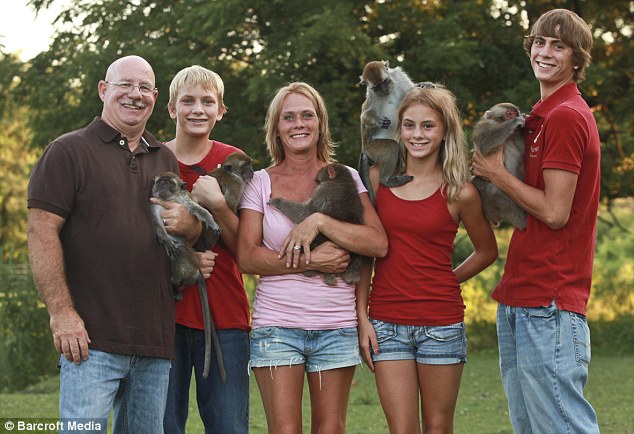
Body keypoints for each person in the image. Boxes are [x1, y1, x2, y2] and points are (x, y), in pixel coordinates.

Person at [26, 55, 202, 434]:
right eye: (125, 84)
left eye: (144, 88)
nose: (134, 95)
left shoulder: (164, 156)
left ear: (155, 97)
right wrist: (61, 314)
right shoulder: (68, 150)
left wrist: (190, 226)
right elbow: (41, 232)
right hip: (90, 342)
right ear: (104, 90)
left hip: (154, 342)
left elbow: (180, 232)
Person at [472, 9, 601, 434]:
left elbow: (554, 212)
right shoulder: (541, 115)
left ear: (576, 59)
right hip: (522, 296)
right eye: (540, 42)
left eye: (558, 46)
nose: (545, 52)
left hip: (549, 299)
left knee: (563, 427)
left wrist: (496, 174)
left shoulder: (566, 116)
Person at [237, 81, 388, 433]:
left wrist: (320, 221)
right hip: (277, 326)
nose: (298, 124)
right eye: (288, 117)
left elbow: (377, 243)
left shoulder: (346, 175)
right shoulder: (259, 182)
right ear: (276, 127)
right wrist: (312, 261)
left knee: (330, 429)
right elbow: (247, 258)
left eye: (307, 115)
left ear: (320, 123)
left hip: (336, 326)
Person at [356, 84, 499, 433]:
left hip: (441, 325)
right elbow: (364, 253)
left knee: (437, 427)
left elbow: (487, 251)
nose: (417, 135)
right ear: (399, 129)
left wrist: (449, 280)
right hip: (386, 325)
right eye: (409, 125)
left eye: (428, 126)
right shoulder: (377, 180)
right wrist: (362, 318)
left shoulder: (459, 190)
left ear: (445, 130)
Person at [159, 65, 251, 434]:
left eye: (207, 101)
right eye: (188, 101)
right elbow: (136, 236)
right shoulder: (152, 158)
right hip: (163, 316)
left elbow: (247, 246)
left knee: (228, 425)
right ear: (171, 109)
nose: (198, 109)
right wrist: (182, 260)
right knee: (162, 424)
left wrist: (218, 206)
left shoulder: (235, 160)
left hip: (224, 314)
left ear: (220, 110)